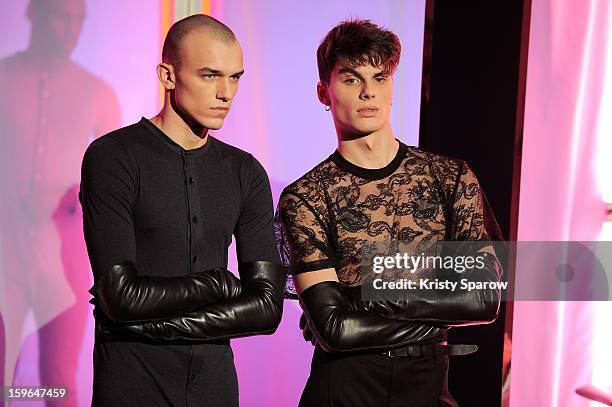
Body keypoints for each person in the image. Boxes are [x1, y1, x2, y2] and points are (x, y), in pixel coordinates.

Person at [275, 19, 503, 406]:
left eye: (380, 78)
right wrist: (435, 317)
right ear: (323, 92)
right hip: (344, 387)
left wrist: (362, 293)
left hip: (429, 384)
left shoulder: (450, 177)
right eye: (351, 79)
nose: (368, 92)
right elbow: (334, 330)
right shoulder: (306, 196)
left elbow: (483, 300)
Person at [79, 14, 284, 406]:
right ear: (168, 76)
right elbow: (121, 296)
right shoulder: (113, 157)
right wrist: (219, 284)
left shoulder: (246, 172)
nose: (226, 92)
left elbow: (267, 307)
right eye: (210, 75)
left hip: (215, 387)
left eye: (235, 77)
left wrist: (146, 325)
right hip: (132, 383)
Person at [0, 0, 119, 404]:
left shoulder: (98, 93)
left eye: (79, 21)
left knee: (59, 380)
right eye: (61, 17)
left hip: (65, 252)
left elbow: (113, 182)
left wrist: (73, 194)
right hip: (4, 250)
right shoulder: (3, 77)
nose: (71, 29)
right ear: (34, 13)